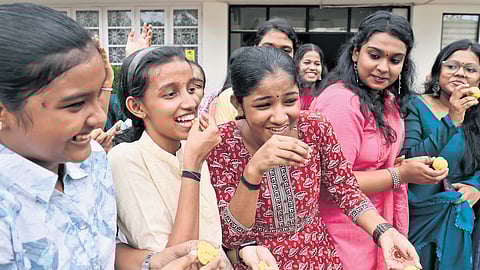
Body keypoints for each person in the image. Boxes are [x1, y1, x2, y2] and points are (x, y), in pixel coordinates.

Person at [206, 46, 422, 269]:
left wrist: (384, 232)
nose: (280, 117)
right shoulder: (222, 143)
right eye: (264, 105)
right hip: (258, 263)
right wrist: (254, 171)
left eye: (290, 101)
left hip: (317, 258)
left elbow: (345, 189)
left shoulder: (315, 128)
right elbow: (231, 236)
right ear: (237, 104)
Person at [109, 47, 277, 270]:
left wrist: (240, 253)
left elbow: (212, 241)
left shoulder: (192, 147)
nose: (190, 102)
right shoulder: (125, 159)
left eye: (192, 88)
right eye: (170, 94)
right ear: (137, 107)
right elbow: (176, 260)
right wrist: (192, 167)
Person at [308, 11, 448, 270]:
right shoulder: (341, 102)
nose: (384, 68)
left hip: (376, 226)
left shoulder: (387, 100)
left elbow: (380, 162)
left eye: (395, 60)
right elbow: (330, 183)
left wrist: (408, 166)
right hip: (341, 230)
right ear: (355, 53)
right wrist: (400, 175)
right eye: (374, 55)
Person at [0, 3, 116, 268]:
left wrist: (150, 262)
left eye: (100, 92)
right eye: (75, 104)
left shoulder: (94, 161)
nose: (100, 118)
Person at [400, 39, 480, 270]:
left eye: (470, 69)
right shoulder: (415, 105)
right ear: (438, 71)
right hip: (417, 213)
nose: (460, 74)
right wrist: (452, 119)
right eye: (452, 66)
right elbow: (410, 158)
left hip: (459, 217)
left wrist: (476, 186)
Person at [212, 18, 298, 125]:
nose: (276, 54)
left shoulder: (306, 93)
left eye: (285, 50)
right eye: (267, 47)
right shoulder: (230, 97)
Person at [294, 43, 328, 110]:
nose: (312, 68)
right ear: (297, 65)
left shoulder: (326, 93)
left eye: (317, 64)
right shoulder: (289, 91)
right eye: (307, 63)